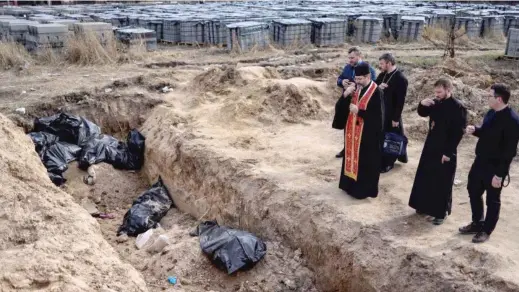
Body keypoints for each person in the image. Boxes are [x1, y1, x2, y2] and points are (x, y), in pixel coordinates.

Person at [459, 84, 519, 243]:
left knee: (492, 199)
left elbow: (509, 152)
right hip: (480, 161)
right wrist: (475, 130)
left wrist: (500, 175)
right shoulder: (491, 113)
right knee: (473, 189)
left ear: (499, 99)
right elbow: (486, 133)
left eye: (489, 96)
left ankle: (486, 230)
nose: (487, 98)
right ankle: (477, 222)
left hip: (495, 166)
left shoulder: (513, 120)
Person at [409, 78, 467, 225]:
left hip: (446, 149)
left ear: (449, 90)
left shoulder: (458, 107)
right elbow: (423, 113)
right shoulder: (435, 102)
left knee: (442, 181)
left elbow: (458, 133)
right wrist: (422, 104)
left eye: (440, 92)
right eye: (435, 92)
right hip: (431, 145)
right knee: (426, 176)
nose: (437, 94)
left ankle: (440, 212)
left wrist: (448, 153)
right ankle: (423, 205)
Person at [339, 62, 384, 199]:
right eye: (356, 79)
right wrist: (346, 94)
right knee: (350, 157)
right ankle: (348, 186)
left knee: (364, 163)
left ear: (368, 76)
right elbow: (341, 108)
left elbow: (379, 117)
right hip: (352, 133)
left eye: (360, 79)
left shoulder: (377, 92)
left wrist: (360, 112)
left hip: (368, 136)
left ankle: (361, 191)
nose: (357, 81)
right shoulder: (356, 89)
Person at [333, 46, 376, 158]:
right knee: (348, 126)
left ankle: (360, 151)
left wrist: (356, 86)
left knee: (360, 128)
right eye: (349, 58)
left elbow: (372, 87)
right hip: (348, 102)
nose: (350, 60)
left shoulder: (369, 70)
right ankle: (346, 148)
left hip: (361, 104)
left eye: (352, 58)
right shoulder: (347, 67)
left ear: (359, 56)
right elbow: (338, 79)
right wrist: (342, 82)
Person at [375, 53, 409, 173]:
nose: (380, 66)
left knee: (392, 139)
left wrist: (395, 118)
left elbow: (401, 102)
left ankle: (389, 163)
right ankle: (383, 160)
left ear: (389, 63)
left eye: (382, 64)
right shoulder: (383, 75)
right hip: (382, 113)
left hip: (392, 115)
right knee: (383, 138)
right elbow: (374, 85)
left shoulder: (401, 79)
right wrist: (379, 87)